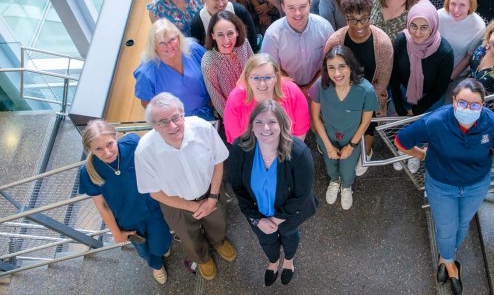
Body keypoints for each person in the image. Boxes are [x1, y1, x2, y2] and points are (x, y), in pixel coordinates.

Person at [395, 79, 494, 294]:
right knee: (447, 227)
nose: (469, 109)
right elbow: (402, 141)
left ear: (483, 105)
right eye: (463, 103)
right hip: (441, 185)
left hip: (475, 185)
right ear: (453, 101)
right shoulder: (436, 121)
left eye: (475, 105)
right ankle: (450, 263)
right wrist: (422, 154)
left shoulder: (492, 124)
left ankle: (445, 256)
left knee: (463, 223)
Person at [135, 93, 235, 281]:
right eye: (163, 122)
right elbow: (154, 192)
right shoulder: (144, 151)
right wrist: (193, 207)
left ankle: (218, 241)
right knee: (188, 236)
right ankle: (202, 258)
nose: (172, 126)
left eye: (176, 117)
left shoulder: (202, 128)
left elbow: (218, 162)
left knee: (218, 222)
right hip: (177, 205)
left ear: (183, 113)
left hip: (211, 192)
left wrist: (212, 197)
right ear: (154, 125)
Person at [229, 100, 317, 286]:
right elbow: (237, 187)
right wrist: (258, 219)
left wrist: (276, 220)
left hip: (289, 215)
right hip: (257, 214)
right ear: (251, 126)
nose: (265, 128)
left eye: (272, 122)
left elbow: (302, 194)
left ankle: (289, 261)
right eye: (259, 122)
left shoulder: (299, 152)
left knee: (290, 235)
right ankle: (274, 261)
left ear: (282, 124)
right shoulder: (240, 148)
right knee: (266, 240)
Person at [79, 120, 172, 285]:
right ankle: (156, 266)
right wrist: (116, 232)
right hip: (127, 221)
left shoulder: (133, 144)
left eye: (109, 144)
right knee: (144, 250)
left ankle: (161, 251)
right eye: (98, 149)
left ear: (116, 137)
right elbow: (102, 206)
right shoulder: (88, 172)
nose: (107, 153)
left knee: (161, 244)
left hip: (152, 209)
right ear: (90, 150)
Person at [324, 0, 393, 176]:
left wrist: (362, 104)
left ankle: (366, 152)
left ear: (371, 15)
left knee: (367, 126)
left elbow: (382, 81)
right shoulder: (335, 41)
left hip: (370, 96)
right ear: (345, 18)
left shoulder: (383, 44)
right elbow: (327, 72)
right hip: (340, 93)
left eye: (364, 18)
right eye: (352, 19)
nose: (359, 25)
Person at [310, 46, 378, 210]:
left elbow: (366, 122)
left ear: (351, 66)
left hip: (351, 139)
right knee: (330, 164)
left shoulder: (366, 90)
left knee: (348, 170)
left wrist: (351, 146)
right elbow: (316, 118)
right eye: (331, 68)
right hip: (328, 137)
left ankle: (346, 186)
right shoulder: (321, 85)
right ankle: (334, 181)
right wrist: (328, 145)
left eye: (342, 66)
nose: (337, 73)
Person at [133, 19, 213, 121]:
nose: (169, 46)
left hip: (209, 112)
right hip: (178, 122)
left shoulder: (193, 49)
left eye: (172, 40)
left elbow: (212, 71)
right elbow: (147, 104)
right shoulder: (147, 72)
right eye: (162, 43)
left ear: (178, 38)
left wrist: (213, 98)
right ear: (154, 46)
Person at [261, 0, 334, 94]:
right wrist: (297, 91)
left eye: (302, 7)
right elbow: (271, 69)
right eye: (291, 8)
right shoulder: (272, 35)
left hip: (320, 87)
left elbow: (331, 62)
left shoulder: (325, 28)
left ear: (310, 4)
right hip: (286, 91)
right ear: (283, 7)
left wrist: (311, 87)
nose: (297, 13)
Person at [224, 53, 310, 143]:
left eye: (268, 77)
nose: (262, 83)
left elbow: (300, 133)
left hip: (287, 147)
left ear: (276, 77)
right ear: (247, 77)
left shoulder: (293, 92)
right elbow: (237, 140)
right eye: (256, 78)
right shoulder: (235, 99)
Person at [390, 0, 454, 118]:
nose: (417, 33)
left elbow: (440, 88)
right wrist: (399, 107)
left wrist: (416, 110)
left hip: (430, 102)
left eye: (424, 27)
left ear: (433, 27)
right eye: (413, 26)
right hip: (402, 94)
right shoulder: (402, 41)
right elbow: (393, 76)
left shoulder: (445, 52)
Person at [201, 11, 253, 118]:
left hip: (254, 102)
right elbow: (217, 99)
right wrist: (234, 120)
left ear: (237, 32)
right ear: (213, 36)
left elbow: (255, 69)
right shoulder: (208, 62)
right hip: (234, 114)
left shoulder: (244, 44)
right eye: (220, 35)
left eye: (230, 33)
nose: (226, 40)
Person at [189, 0, 257, 51]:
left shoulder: (240, 11)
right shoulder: (197, 23)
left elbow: (252, 43)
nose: (221, 4)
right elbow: (199, 52)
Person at [438, 0, 486, 80]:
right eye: (453, 4)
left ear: (470, 5)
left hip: (456, 73)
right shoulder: (438, 15)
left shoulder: (478, 27)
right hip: (433, 66)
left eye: (462, 5)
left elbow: (468, 58)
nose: (456, 10)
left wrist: (449, 79)